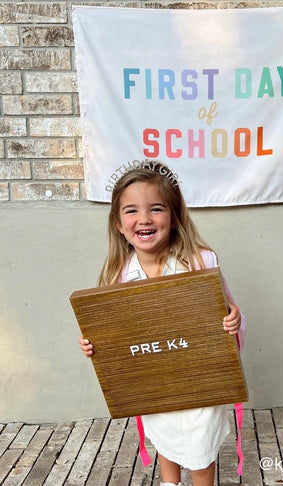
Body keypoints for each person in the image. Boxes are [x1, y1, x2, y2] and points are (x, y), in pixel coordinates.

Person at [79, 160, 246, 486]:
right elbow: (111, 333)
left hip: (200, 378)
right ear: (118, 223)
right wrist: (93, 344)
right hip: (155, 377)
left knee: (199, 448)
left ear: (173, 218)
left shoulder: (200, 261)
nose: (143, 218)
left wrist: (233, 318)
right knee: (164, 438)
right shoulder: (119, 276)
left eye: (156, 209)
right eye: (131, 211)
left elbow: (228, 307)